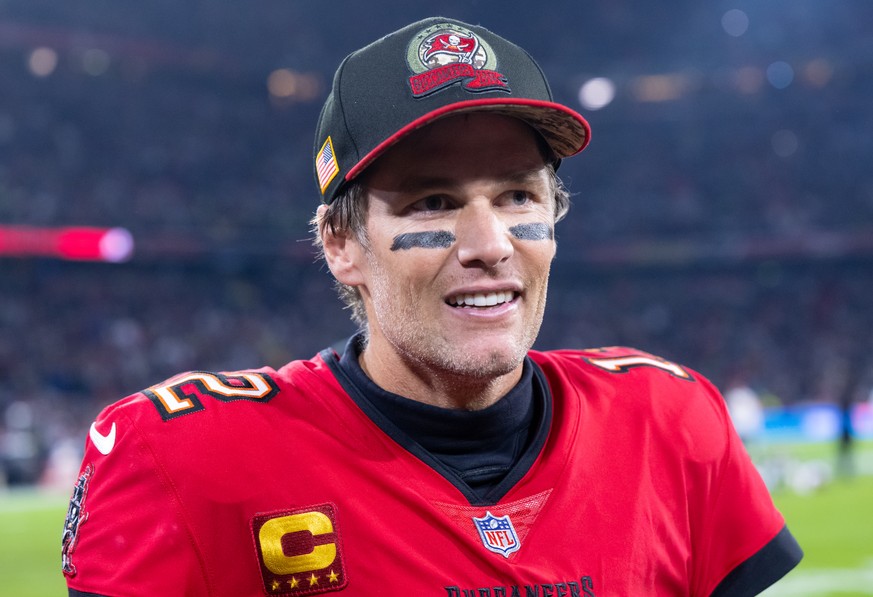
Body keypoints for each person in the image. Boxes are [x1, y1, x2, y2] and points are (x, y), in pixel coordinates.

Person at [62, 17, 802, 596]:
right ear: (341, 245)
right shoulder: (181, 458)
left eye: (517, 195)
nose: (490, 244)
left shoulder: (668, 420)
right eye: (433, 202)